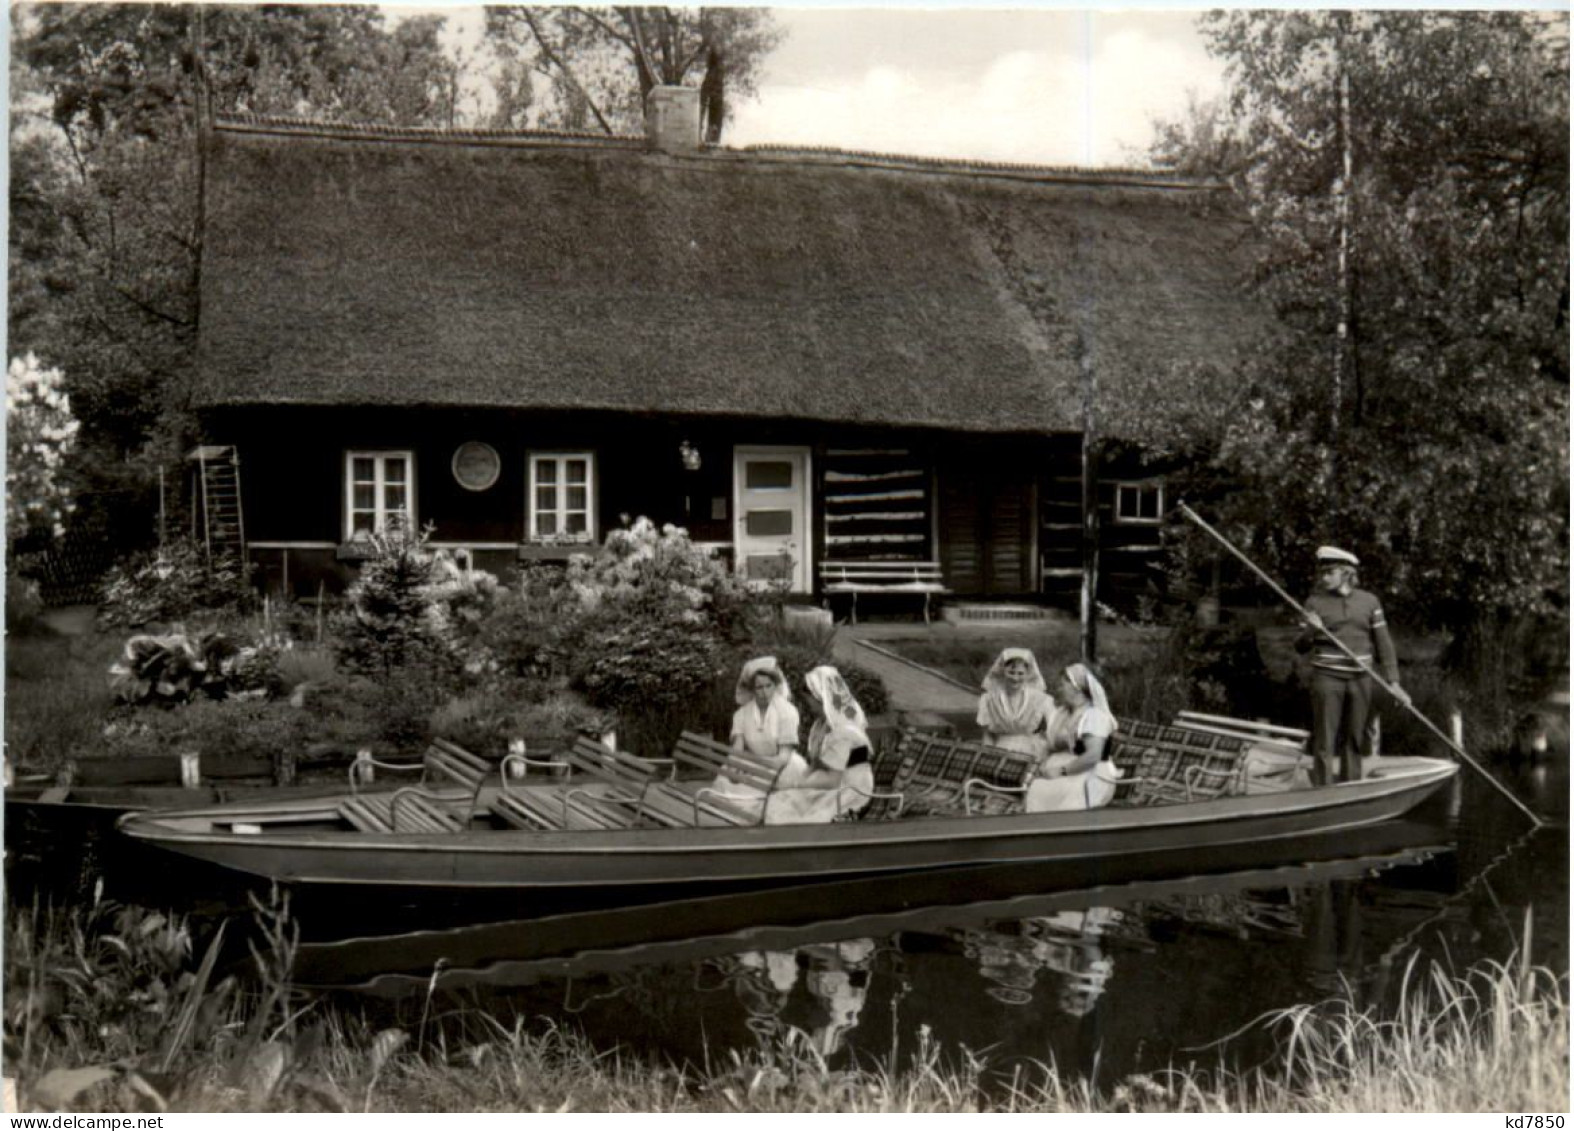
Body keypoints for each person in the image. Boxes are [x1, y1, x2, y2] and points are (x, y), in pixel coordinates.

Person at [1295, 546, 1409, 784]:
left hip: (1360, 678)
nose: (1323, 578)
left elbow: (1384, 643)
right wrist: (1310, 630)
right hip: (1327, 678)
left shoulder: (1369, 602)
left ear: (1346, 573)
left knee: (1355, 738)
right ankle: (1324, 793)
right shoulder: (1314, 603)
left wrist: (1394, 682)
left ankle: (1351, 787)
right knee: (1325, 740)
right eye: (1322, 572)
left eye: (1329, 572)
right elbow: (1300, 646)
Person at [765, 665, 875, 824]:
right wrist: (791, 786)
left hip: (848, 791)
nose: (807, 706)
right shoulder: (821, 726)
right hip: (828, 785)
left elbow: (832, 780)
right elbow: (815, 765)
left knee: (798, 815)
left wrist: (796, 784)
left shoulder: (845, 732)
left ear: (821, 698)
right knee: (779, 800)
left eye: (808, 700)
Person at [1025, 663, 1122, 812]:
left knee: (1048, 792)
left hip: (1090, 775)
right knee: (1038, 789)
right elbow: (1051, 744)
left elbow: (1093, 755)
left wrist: (1061, 771)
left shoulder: (1093, 715)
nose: (1059, 689)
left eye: (1062, 685)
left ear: (1076, 687)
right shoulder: (1063, 714)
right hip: (1061, 771)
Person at [976, 648, 1058, 759]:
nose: (1015, 678)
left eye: (1020, 673)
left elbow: (1054, 730)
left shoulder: (1042, 699)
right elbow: (988, 735)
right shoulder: (988, 699)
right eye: (1011, 672)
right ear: (1002, 671)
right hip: (1000, 751)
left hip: (1032, 751)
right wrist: (987, 757)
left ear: (1028, 674)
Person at [729, 656, 800, 771]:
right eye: (759, 687)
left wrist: (756, 767)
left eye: (768, 686)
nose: (765, 692)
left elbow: (784, 757)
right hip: (753, 766)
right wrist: (735, 768)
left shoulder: (787, 712)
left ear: (775, 685)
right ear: (752, 689)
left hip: (783, 768)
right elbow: (738, 750)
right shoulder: (741, 715)